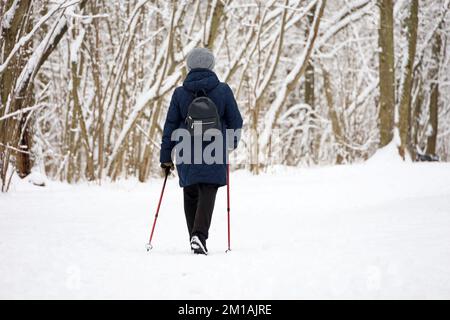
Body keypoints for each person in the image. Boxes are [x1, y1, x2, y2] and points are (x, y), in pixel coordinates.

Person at [160, 47, 243, 255]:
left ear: (189, 66)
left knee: (190, 191)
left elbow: (169, 127)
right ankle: (199, 236)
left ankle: (194, 237)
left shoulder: (180, 93)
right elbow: (236, 121)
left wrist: (166, 158)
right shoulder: (223, 90)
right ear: (211, 65)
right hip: (214, 149)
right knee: (208, 189)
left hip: (186, 149)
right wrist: (230, 144)